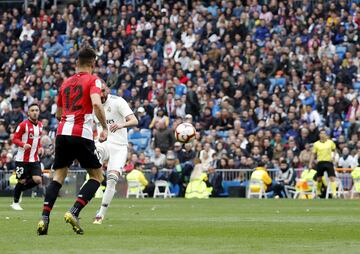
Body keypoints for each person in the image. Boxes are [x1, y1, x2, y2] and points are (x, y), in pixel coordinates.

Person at [37, 46, 108, 235]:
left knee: (58, 177)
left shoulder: (65, 83)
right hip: (81, 133)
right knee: (97, 176)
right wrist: (104, 127)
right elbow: (96, 103)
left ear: (77, 62)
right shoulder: (94, 80)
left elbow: (59, 113)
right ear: (93, 63)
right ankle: (74, 211)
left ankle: (44, 217)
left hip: (62, 133)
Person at [93, 83, 138, 224]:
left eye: (103, 92)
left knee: (112, 179)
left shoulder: (118, 102)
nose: (101, 96)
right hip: (103, 142)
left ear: (107, 91)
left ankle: (100, 214)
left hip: (119, 146)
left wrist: (121, 124)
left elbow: (134, 120)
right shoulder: (93, 105)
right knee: (96, 155)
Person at [11, 103, 43, 210]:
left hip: (34, 159)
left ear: (39, 112)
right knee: (21, 181)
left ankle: (19, 190)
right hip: (22, 159)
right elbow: (15, 139)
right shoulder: (23, 125)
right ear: (28, 112)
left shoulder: (40, 125)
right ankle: (15, 203)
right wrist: (23, 145)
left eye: (36, 110)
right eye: (32, 110)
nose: (35, 112)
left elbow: (37, 139)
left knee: (38, 180)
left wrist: (40, 147)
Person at [309, 129, 337, 198]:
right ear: (319, 135)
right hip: (320, 162)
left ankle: (334, 194)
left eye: (324, 133)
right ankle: (318, 192)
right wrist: (310, 163)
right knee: (319, 178)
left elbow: (334, 150)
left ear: (326, 135)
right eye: (321, 133)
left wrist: (333, 157)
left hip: (328, 162)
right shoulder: (316, 144)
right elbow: (313, 154)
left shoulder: (330, 142)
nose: (323, 135)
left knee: (332, 177)